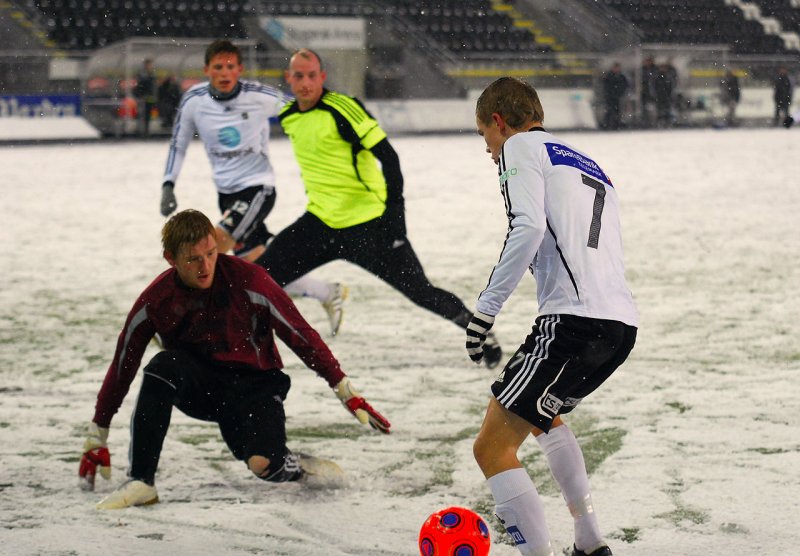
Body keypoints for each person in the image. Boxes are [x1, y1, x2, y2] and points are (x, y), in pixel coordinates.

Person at [77, 210, 390, 509]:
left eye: (211, 253)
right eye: (193, 259)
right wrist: (97, 433)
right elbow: (123, 364)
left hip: (256, 387)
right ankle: (141, 480)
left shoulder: (249, 279)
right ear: (171, 259)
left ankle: (299, 466)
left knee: (264, 465)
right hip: (205, 390)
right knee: (162, 367)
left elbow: (299, 333)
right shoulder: (156, 300)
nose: (205, 266)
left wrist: (344, 389)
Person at [467, 77, 638, 556]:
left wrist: (485, 310)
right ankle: (589, 542)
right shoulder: (586, 161)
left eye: (484, 136)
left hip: (573, 323)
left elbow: (527, 227)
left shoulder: (519, 146)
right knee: (546, 418)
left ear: (499, 122)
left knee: (491, 448)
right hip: (619, 325)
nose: (488, 150)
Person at [254, 48, 503, 369]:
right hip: (320, 223)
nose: (305, 82)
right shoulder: (290, 116)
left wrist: (394, 218)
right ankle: (240, 348)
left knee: (421, 292)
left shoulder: (343, 108)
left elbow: (389, 158)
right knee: (257, 280)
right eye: (298, 76)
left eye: (311, 75)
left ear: (322, 77)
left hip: (370, 226)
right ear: (288, 78)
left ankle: (481, 332)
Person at [160, 40, 347, 335]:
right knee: (258, 269)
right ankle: (327, 292)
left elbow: (303, 107)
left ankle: (178, 320)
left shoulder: (260, 96)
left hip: (258, 189)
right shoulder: (194, 100)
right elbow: (178, 143)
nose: (224, 73)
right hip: (226, 195)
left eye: (230, 67)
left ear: (240, 70)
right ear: (207, 70)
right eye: (218, 67)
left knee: (208, 248)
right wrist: (168, 184)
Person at [133, 58, 157, 137]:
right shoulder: (143, 74)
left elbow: (152, 87)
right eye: (149, 64)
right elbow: (141, 86)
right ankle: (141, 131)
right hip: (143, 97)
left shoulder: (151, 74)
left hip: (149, 97)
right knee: (142, 114)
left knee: (147, 114)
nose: (150, 66)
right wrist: (142, 95)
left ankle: (146, 131)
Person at [601, 62, 628, 130]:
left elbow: (625, 85)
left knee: (617, 111)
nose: (617, 69)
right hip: (610, 97)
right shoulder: (609, 76)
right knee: (609, 110)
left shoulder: (621, 76)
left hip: (617, 97)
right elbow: (606, 86)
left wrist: (620, 92)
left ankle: (616, 124)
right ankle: (607, 124)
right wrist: (610, 93)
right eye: (616, 68)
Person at [639, 55, 656, 128]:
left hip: (653, 93)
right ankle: (645, 122)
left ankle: (653, 122)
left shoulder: (654, 69)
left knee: (653, 107)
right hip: (645, 92)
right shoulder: (642, 70)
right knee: (644, 108)